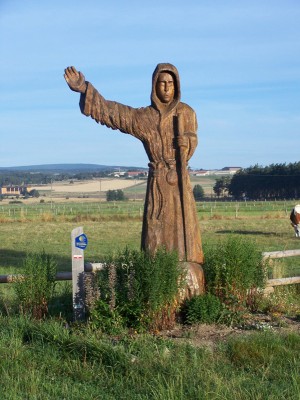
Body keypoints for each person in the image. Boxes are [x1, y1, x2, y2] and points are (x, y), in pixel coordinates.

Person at [64, 63, 204, 270]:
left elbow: (192, 137)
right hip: (158, 183)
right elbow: (115, 113)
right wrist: (85, 88)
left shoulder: (186, 112)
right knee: (155, 235)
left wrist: (187, 142)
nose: (166, 88)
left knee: (185, 234)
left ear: (177, 86)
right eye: (162, 83)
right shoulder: (145, 117)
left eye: (170, 83)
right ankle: (155, 275)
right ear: (154, 86)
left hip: (180, 182)